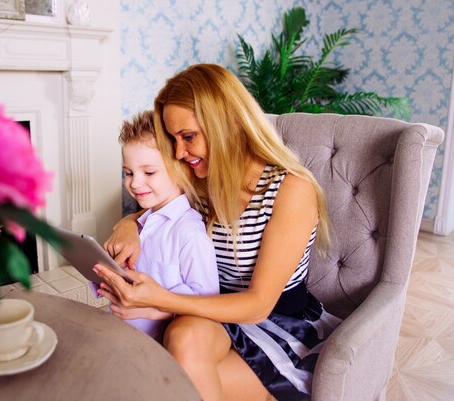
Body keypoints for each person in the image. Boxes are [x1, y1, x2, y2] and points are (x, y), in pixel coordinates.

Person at [94, 64, 342, 401]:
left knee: (163, 377)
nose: (179, 153)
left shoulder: (291, 189)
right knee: (179, 341)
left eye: (189, 137)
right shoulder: (203, 178)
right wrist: (129, 224)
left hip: (277, 321)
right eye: (173, 140)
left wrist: (160, 300)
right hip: (213, 310)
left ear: (226, 124)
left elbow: (257, 306)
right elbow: (165, 207)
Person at [105, 109, 219, 342]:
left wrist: (154, 309)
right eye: (128, 173)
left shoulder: (188, 233)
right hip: (119, 333)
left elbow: (207, 302)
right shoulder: (139, 225)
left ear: (181, 170)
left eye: (149, 172)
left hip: (157, 346)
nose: (135, 183)